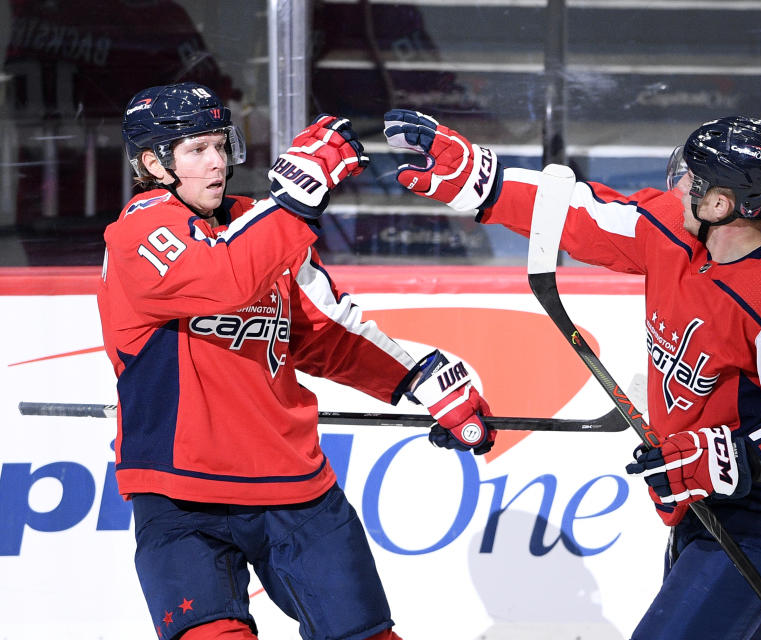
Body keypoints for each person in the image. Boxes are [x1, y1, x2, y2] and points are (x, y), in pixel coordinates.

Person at [381, 110, 761, 639]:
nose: (678, 185)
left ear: (722, 204)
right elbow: (585, 216)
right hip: (697, 491)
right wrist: (485, 179)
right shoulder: (679, 231)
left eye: (693, 180)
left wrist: (730, 457)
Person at [97, 84, 496, 640]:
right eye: (195, 150)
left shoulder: (267, 224)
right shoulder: (138, 231)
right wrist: (293, 203)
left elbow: (327, 334)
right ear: (150, 161)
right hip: (182, 493)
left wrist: (424, 383)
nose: (216, 162)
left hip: (294, 486)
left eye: (220, 145)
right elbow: (221, 279)